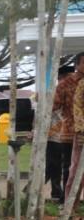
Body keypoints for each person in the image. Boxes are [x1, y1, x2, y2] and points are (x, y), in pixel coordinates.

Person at [48, 57, 83, 202]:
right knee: (69, 167)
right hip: (70, 131)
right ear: (77, 65)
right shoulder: (65, 84)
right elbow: (54, 105)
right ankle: (67, 200)